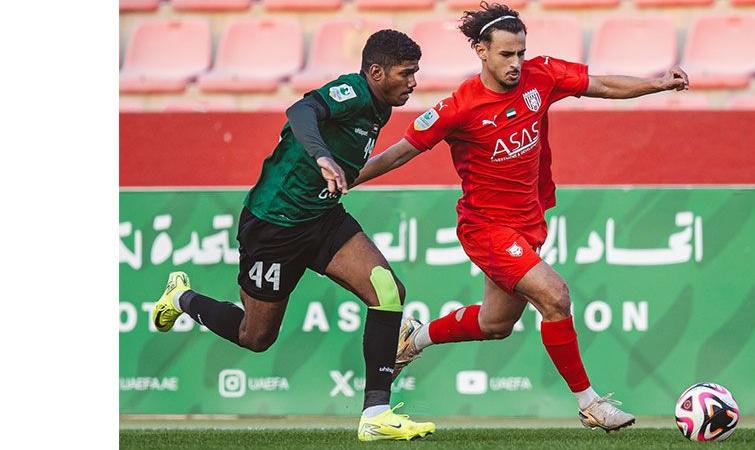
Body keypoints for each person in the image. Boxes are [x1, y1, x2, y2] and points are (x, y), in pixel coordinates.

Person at [352, 2, 689, 432]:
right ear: (481, 51)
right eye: (507, 54)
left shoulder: (541, 76)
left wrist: (657, 85)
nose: (516, 63)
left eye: (520, 53)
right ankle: (590, 403)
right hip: (485, 228)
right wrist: (347, 177)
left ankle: (412, 339)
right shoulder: (458, 106)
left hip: (528, 222)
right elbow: (400, 152)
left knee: (496, 323)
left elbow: (601, 84)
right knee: (555, 296)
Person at [150, 29, 435, 442]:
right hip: (274, 225)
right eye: (406, 73)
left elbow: (356, 160)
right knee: (256, 336)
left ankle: (376, 413)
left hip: (321, 218)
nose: (413, 82)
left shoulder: (381, 105)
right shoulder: (352, 92)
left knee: (387, 290)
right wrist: (321, 156)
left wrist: (343, 174)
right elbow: (301, 111)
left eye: (417, 73)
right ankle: (181, 298)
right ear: (376, 72)